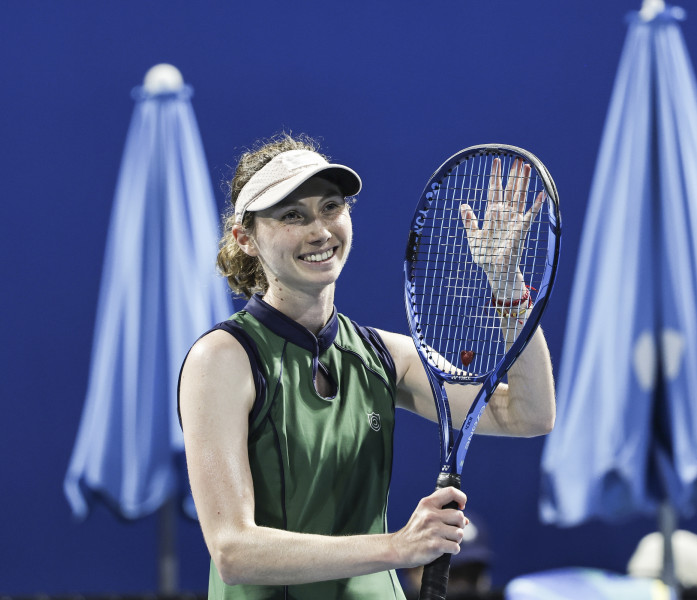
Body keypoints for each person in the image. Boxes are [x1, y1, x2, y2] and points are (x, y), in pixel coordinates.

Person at [178, 132, 556, 599]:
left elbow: (530, 414)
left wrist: (506, 283)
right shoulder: (223, 358)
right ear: (246, 239)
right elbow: (234, 552)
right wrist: (397, 548)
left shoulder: (382, 355)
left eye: (331, 207)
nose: (319, 230)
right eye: (293, 215)